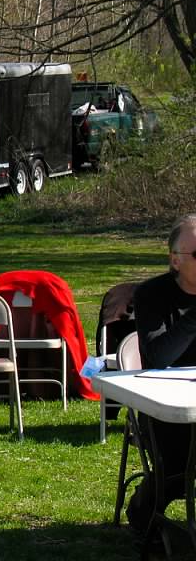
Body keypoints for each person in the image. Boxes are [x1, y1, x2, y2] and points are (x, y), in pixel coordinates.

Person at [126, 213, 196, 536]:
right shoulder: (152, 296)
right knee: (177, 471)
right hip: (164, 414)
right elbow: (156, 358)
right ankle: (148, 504)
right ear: (175, 260)